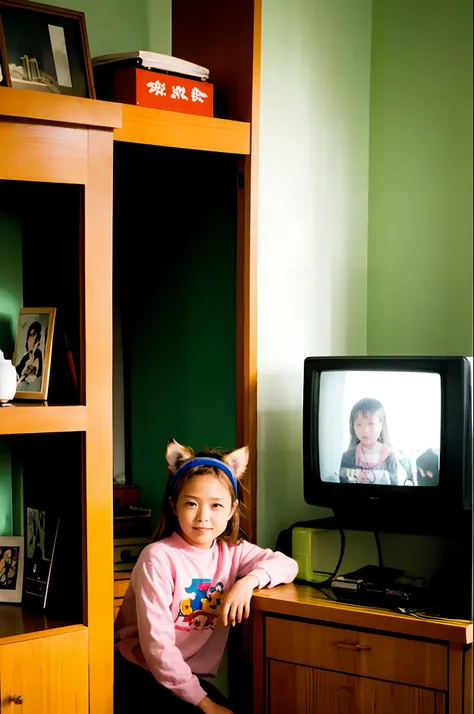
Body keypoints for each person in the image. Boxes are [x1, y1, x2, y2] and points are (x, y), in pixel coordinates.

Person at [114, 438, 298, 714]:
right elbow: (157, 650)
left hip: (189, 680)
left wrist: (248, 582)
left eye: (216, 506)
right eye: (191, 504)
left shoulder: (232, 553)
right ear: (174, 505)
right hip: (140, 674)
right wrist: (207, 705)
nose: (203, 517)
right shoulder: (158, 558)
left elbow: (287, 565)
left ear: (232, 510)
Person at [339, 397, 398, 486]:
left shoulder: (388, 455)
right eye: (359, 424)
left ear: (381, 425)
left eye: (371, 423)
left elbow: (394, 488)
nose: (365, 430)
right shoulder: (347, 457)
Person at [15, 320, 43, 392]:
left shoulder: (37, 354)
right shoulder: (26, 356)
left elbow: (30, 376)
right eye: (30, 336)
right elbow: (17, 369)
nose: (31, 341)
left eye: (34, 337)